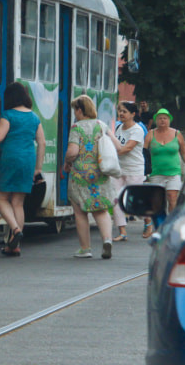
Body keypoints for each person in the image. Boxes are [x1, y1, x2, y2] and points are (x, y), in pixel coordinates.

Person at [0, 82, 46, 257]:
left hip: (11, 158)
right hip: (28, 160)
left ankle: (15, 229)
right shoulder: (34, 117)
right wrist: (38, 168)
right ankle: (14, 246)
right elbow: (42, 143)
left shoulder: (8, 115)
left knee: (0, 197)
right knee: (18, 203)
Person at [62, 95, 116, 259]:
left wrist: (66, 161)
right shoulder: (102, 125)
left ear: (80, 110)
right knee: (101, 209)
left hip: (80, 175)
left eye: (75, 110)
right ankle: (107, 240)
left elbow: (73, 152)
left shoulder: (77, 128)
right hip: (100, 174)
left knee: (80, 212)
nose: (74, 113)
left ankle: (85, 249)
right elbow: (117, 146)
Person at [109, 101, 147, 241]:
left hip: (134, 169)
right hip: (118, 169)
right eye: (120, 111)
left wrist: (110, 155)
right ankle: (122, 231)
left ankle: (148, 220)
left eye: (124, 111)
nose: (121, 114)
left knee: (134, 201)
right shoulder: (118, 128)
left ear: (133, 114)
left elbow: (128, 148)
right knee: (115, 199)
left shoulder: (137, 130)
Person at [144, 108, 185, 214]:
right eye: (160, 118)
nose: (162, 120)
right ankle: (158, 221)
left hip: (173, 172)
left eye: (165, 118)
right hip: (156, 173)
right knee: (157, 201)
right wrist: (144, 169)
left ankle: (171, 221)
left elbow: (184, 153)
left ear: (169, 120)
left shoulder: (177, 134)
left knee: (172, 198)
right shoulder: (151, 134)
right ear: (156, 121)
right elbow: (143, 152)